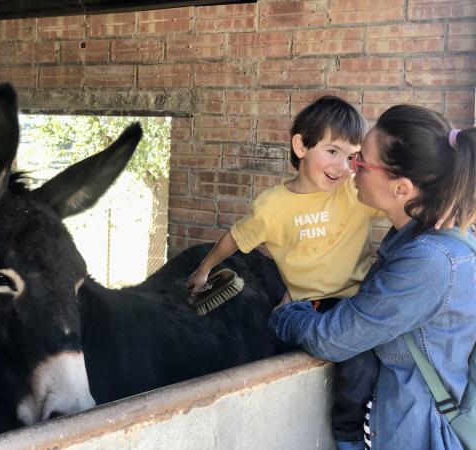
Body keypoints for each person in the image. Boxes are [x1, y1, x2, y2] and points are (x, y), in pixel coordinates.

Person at [268, 105, 476, 450]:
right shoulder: (426, 240)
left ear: (401, 188)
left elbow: (332, 338)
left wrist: (285, 314)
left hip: (414, 435)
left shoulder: (428, 262)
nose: (351, 171)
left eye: (361, 162)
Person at [187, 95, 382, 448]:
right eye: (333, 151)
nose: (342, 166)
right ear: (301, 145)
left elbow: (399, 206)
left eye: (352, 156)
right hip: (305, 306)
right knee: (268, 348)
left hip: (353, 305)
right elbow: (236, 237)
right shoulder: (272, 206)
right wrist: (204, 269)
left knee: (361, 365)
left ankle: (349, 437)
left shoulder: (356, 193)